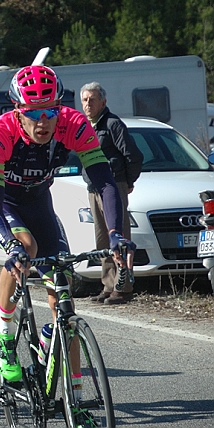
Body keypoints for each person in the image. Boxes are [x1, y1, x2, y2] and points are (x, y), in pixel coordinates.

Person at [0, 65, 135, 391]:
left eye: (51, 111)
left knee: (63, 299)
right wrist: (10, 246)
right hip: (1, 201)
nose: (44, 121)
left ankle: (75, 396)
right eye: (34, 113)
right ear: (18, 110)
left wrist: (116, 234)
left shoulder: (73, 124)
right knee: (25, 248)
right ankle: (4, 332)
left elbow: (105, 182)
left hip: (38, 202)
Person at [81, 82, 143, 305]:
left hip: (114, 185)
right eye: (85, 100)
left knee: (120, 237)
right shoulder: (86, 126)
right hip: (93, 187)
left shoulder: (113, 124)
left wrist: (127, 182)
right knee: (102, 240)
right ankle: (109, 285)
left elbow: (133, 155)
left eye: (93, 99)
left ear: (103, 102)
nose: (88, 104)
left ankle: (124, 288)